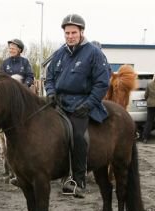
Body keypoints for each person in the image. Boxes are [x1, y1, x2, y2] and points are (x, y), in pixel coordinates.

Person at [45, 14, 111, 198]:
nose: (70, 36)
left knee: (78, 136)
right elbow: (49, 77)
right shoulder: (59, 53)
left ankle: (78, 180)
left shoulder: (94, 53)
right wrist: (50, 92)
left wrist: (89, 103)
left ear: (82, 32)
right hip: (59, 102)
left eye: (73, 32)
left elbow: (102, 83)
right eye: (67, 33)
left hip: (82, 103)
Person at [142, 75, 155, 143]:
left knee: (149, 121)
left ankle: (145, 138)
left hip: (150, 105)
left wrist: (147, 99)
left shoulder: (149, 84)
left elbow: (146, 95)